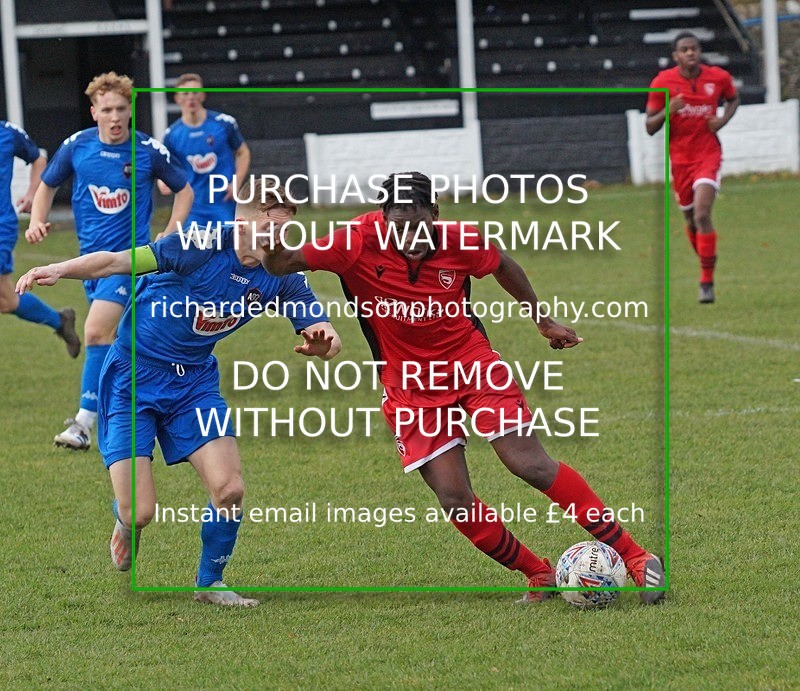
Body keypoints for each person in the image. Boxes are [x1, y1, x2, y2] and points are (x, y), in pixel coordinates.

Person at [264, 171, 666, 604]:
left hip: (469, 361)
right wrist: (270, 242)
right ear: (383, 218)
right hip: (408, 384)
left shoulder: (462, 240)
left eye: (419, 224)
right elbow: (282, 264)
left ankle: (636, 556)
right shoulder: (355, 241)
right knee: (455, 498)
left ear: (434, 214)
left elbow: (504, 265)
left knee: (529, 464)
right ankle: (539, 574)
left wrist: (541, 319)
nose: (411, 237)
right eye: (399, 227)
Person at [17, 180, 341, 606]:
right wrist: (60, 269)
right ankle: (125, 520)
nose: (278, 239)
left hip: (193, 384)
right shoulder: (197, 246)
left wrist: (324, 344)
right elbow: (114, 262)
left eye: (284, 230)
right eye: (269, 228)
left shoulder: (283, 275)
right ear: (241, 222)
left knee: (230, 489)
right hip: (134, 376)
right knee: (141, 512)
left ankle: (209, 583)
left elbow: (326, 333)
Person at [26, 72, 194, 450]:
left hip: (128, 261)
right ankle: (144, 409)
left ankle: (83, 424)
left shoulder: (148, 150)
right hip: (90, 264)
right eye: (107, 110)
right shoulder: (77, 147)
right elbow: (48, 184)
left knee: (96, 332)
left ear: (130, 110)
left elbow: (184, 190)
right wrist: (37, 218)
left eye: (121, 109)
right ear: (94, 112)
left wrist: (170, 232)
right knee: (122, 343)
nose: (115, 117)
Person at [646, 31, 739, 304]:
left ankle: (706, 281)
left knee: (701, 214)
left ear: (699, 51)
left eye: (694, 48)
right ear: (675, 56)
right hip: (680, 162)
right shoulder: (663, 82)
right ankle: (707, 261)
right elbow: (650, 127)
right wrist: (669, 110)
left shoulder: (718, 77)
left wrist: (722, 120)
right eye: (684, 49)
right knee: (689, 219)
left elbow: (733, 98)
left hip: (708, 156)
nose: (690, 53)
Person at [0, 120, 80, 356]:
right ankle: (60, 321)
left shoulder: (8, 133)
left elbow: (38, 160)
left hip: (1, 226)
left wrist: (32, 193)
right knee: (6, 300)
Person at [158, 72, 251, 227]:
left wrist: (236, 182)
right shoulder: (171, 135)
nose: (191, 97)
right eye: (185, 93)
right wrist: (163, 181)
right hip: (192, 207)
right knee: (196, 248)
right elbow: (163, 166)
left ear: (202, 95)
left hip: (223, 203)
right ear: (177, 98)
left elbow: (243, 152)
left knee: (231, 247)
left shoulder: (224, 123)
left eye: (195, 92)